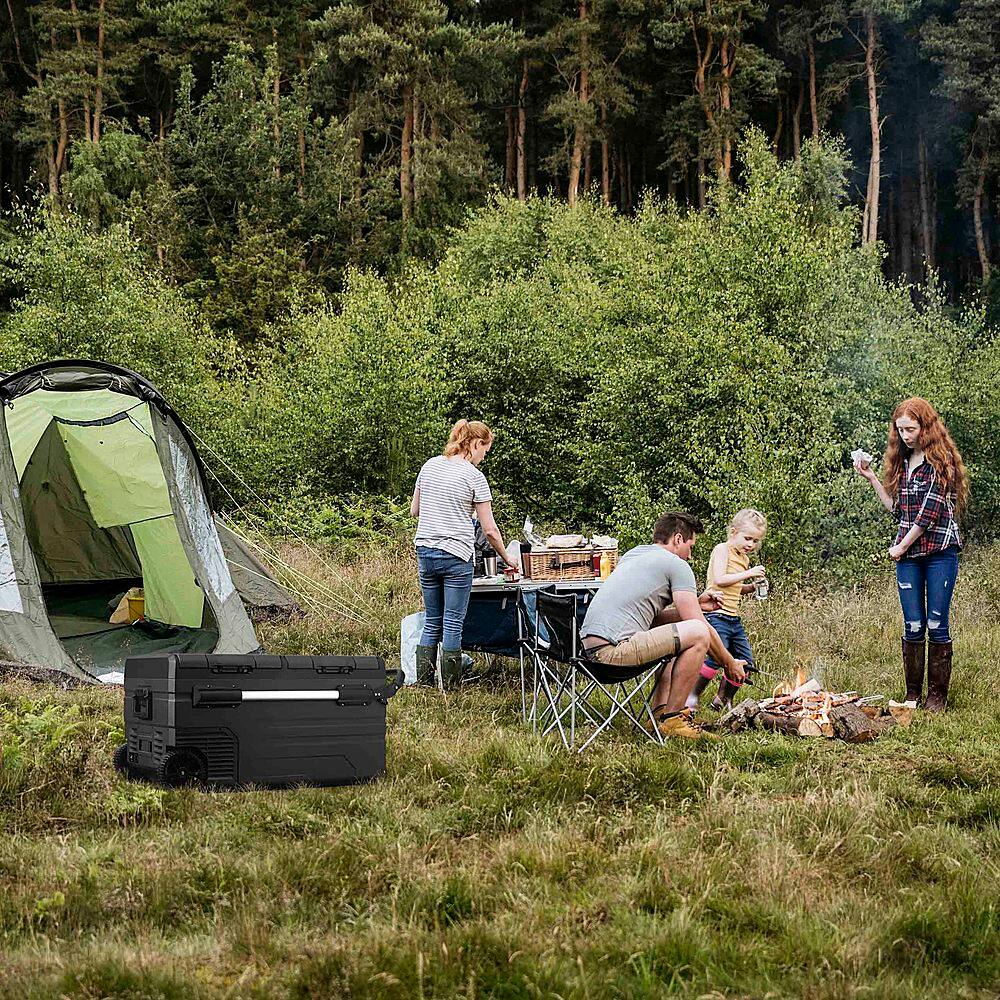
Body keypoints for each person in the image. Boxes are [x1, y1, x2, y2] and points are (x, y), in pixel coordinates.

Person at [580, 511, 747, 740]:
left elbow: (650, 620)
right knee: (698, 632)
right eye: (690, 546)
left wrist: (697, 604)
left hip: (589, 654)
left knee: (679, 634)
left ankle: (659, 716)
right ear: (678, 539)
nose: (690, 556)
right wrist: (729, 663)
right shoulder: (676, 564)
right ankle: (673, 719)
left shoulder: (633, 555)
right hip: (613, 653)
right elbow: (699, 627)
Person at [854, 397, 968, 712]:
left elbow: (928, 514)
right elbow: (898, 511)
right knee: (913, 624)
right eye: (900, 429)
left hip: (939, 551)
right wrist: (872, 478)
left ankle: (937, 697)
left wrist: (901, 546)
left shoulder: (940, 460)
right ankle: (913, 695)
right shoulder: (904, 462)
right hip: (909, 556)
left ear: (925, 427)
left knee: (937, 623)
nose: (905, 435)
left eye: (911, 429)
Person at [411, 419, 516, 688]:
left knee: (432, 619)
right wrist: (508, 559)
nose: (483, 458)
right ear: (476, 444)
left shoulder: (430, 465)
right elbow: (490, 530)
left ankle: (424, 684)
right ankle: (451, 687)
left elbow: (415, 510)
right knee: (453, 622)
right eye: (485, 451)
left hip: (425, 552)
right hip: (456, 555)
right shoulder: (474, 476)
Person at [687, 509, 768, 713]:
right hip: (715, 614)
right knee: (716, 657)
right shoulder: (722, 549)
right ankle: (691, 696)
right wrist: (749, 573)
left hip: (733, 618)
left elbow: (735, 588)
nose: (751, 544)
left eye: (755, 541)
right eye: (747, 538)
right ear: (734, 532)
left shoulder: (744, 558)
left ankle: (723, 699)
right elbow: (720, 579)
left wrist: (752, 587)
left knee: (745, 661)